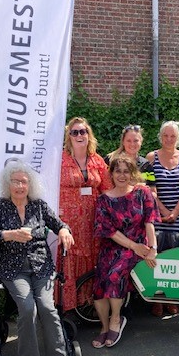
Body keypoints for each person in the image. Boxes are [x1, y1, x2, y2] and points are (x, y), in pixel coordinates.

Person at [0, 160, 74, 356]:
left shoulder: (39, 206)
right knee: (27, 307)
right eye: (15, 181)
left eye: (24, 182)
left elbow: (59, 224)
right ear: (8, 183)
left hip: (41, 266)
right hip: (13, 269)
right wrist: (9, 234)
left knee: (47, 307)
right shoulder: (1, 206)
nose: (20, 186)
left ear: (29, 184)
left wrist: (63, 230)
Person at [92, 156, 160, 348]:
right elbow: (109, 231)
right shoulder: (104, 199)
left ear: (132, 173)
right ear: (111, 174)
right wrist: (133, 245)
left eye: (126, 171)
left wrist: (152, 249)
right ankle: (104, 328)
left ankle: (116, 319)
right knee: (99, 285)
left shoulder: (143, 193)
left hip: (138, 246)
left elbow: (150, 222)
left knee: (114, 276)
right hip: (113, 246)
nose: (122, 175)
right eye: (117, 171)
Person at [57, 117, 112, 312]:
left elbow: (107, 189)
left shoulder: (97, 160)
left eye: (83, 132)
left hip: (92, 220)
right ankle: (69, 306)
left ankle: (88, 303)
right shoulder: (59, 159)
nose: (79, 135)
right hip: (68, 221)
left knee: (91, 259)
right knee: (70, 258)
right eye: (75, 132)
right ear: (69, 136)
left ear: (89, 135)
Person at [145, 120, 179, 317]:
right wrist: (164, 211)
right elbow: (150, 188)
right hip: (157, 216)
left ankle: (172, 298)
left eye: (172, 136)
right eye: (165, 135)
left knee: (176, 258)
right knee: (157, 257)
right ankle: (157, 299)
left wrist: (176, 211)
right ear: (160, 136)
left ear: (178, 138)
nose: (169, 139)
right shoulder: (151, 157)